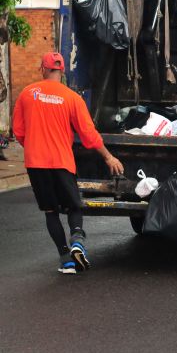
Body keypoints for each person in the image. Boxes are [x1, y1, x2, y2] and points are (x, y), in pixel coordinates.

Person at [12, 52, 124, 274]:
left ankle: (66, 260)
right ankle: (77, 240)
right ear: (62, 71)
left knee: (50, 211)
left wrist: (34, 146)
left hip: (36, 163)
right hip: (62, 162)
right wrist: (108, 157)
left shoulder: (27, 94)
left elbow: (18, 131)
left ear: (43, 69)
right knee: (74, 206)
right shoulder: (72, 98)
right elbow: (88, 134)